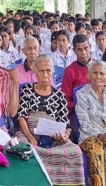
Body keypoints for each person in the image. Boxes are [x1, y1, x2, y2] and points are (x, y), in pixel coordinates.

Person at [17, 54, 85, 185]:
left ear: (53, 72)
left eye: (48, 70)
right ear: (35, 72)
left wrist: (65, 135)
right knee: (24, 148)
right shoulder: (27, 90)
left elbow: (65, 123)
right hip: (28, 133)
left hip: (53, 136)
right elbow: (21, 116)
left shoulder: (60, 96)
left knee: (75, 151)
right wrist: (30, 136)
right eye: (41, 71)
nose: (45, 74)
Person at [62, 34, 106, 115]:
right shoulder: (70, 71)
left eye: (86, 48)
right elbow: (65, 100)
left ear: (90, 47)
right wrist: (81, 106)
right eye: (79, 50)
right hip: (80, 113)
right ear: (74, 51)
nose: (83, 53)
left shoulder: (101, 67)